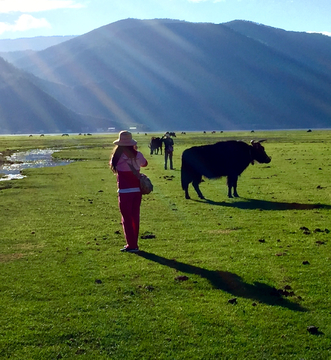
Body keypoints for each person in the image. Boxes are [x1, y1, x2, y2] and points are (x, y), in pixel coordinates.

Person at [110, 130, 148, 252]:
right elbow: (145, 164)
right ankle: (134, 244)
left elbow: (113, 166)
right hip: (137, 191)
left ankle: (131, 245)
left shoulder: (117, 157)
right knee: (135, 217)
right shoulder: (138, 155)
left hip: (124, 192)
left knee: (126, 218)